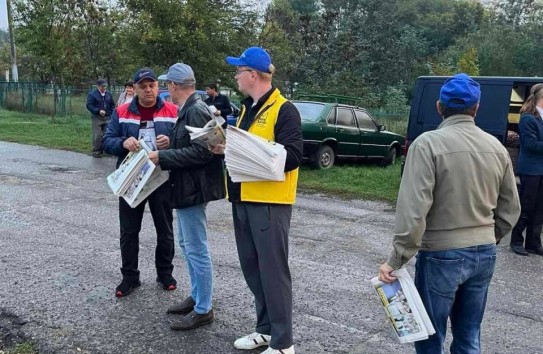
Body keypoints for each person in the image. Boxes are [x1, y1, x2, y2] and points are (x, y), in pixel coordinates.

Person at [377, 73, 520, 354]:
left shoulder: (427, 145)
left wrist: (396, 259)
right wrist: (489, 237)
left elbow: (413, 210)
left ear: (439, 107)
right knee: (469, 335)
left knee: (430, 335)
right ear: (476, 108)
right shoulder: (496, 148)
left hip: (441, 254)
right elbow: (510, 208)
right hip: (484, 252)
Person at [213, 47, 303, 354]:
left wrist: (255, 151)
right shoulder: (244, 108)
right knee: (253, 269)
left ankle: (283, 344)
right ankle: (265, 330)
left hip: (269, 205)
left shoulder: (284, 109)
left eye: (238, 71)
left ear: (253, 74)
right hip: (242, 199)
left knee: (274, 272)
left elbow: (293, 156)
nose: (235, 76)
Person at [147, 63, 226, 330]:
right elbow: (195, 144)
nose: (166, 90)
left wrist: (164, 156)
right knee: (186, 243)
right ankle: (197, 297)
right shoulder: (192, 107)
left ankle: (204, 308)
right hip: (187, 188)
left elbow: (204, 152)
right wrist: (171, 142)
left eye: (166, 85)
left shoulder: (195, 109)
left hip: (193, 189)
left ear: (173, 85)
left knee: (196, 247)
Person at [102, 67, 179, 297]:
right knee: (129, 230)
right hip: (132, 178)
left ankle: (165, 273)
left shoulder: (172, 110)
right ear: (134, 89)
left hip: (161, 177)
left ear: (158, 87)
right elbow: (107, 141)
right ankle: (129, 277)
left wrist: (171, 141)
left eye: (152, 85)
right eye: (143, 86)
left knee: (164, 229)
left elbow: (185, 141)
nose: (148, 90)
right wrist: (123, 143)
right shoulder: (123, 111)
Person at [510, 83, 543, 256]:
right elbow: (530, 145)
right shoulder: (528, 118)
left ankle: (533, 243)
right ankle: (516, 240)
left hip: (541, 170)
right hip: (531, 169)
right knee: (526, 206)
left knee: (539, 209)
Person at [86, 78, 115, 158]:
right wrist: (98, 111)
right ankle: (96, 151)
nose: (104, 88)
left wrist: (112, 113)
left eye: (105, 86)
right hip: (97, 118)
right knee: (97, 135)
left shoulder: (108, 94)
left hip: (107, 117)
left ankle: (106, 150)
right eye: (102, 86)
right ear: (98, 86)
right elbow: (89, 105)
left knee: (107, 134)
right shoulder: (92, 94)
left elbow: (112, 104)